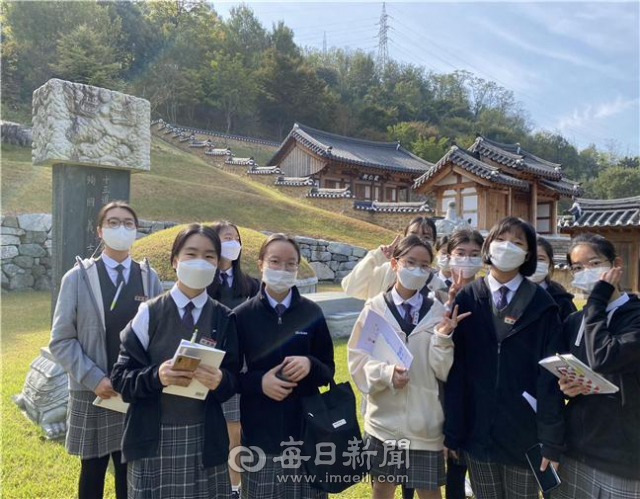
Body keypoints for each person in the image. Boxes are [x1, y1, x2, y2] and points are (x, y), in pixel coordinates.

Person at [111, 224, 239, 498]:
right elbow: (121, 378)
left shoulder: (224, 318)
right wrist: (157, 376)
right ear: (174, 261)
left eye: (209, 256)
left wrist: (220, 380)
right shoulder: (149, 313)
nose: (200, 262)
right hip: (153, 438)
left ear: (218, 264)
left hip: (205, 440)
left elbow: (233, 380)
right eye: (191, 254)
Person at [443, 217, 565, 499]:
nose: (507, 247)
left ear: (528, 254)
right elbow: (456, 372)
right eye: (500, 240)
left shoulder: (543, 305)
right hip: (477, 431)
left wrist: (551, 440)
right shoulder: (469, 298)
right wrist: (453, 430)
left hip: (524, 433)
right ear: (488, 246)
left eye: (518, 242)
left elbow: (550, 378)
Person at [49, 201, 163, 499]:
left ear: (136, 231)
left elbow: (161, 337)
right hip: (94, 393)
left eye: (128, 223)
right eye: (113, 223)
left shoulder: (149, 279)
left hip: (134, 393)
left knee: (131, 474)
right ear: (100, 230)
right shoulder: (77, 278)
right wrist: (94, 378)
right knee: (92, 473)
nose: (121, 229)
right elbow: (61, 340)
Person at [349, 235, 470, 499]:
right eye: (410, 262)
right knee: (382, 489)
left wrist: (443, 337)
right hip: (383, 423)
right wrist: (386, 374)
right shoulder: (375, 309)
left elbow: (442, 370)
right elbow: (357, 361)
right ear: (395, 263)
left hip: (424, 423)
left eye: (424, 265)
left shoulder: (437, 312)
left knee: (429, 492)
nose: (417, 270)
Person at [234, 233, 335, 499]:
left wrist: (310, 363)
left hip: (308, 433)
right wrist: (260, 382)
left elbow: (329, 369)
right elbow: (230, 377)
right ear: (261, 264)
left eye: (291, 263)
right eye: (275, 261)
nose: (283, 269)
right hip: (260, 436)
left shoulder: (312, 313)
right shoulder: (242, 316)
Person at [553, 233, 640, 498]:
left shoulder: (634, 317)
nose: (585, 272)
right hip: (577, 446)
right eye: (577, 268)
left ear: (616, 264)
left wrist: (598, 300)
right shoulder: (574, 321)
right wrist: (565, 385)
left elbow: (604, 357)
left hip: (622, 454)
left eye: (594, 264)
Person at [206, 221, 260, 498]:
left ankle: (236, 488)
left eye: (236, 238)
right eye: (227, 238)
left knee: (237, 433)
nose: (233, 243)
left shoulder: (251, 285)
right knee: (218, 434)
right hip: (213, 368)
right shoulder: (202, 284)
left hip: (245, 369)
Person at [440, 228, 484, 499]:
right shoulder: (432, 291)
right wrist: (449, 304)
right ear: (448, 256)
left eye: (474, 255)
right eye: (461, 253)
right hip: (445, 387)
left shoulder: (490, 292)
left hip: (481, 386)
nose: (467, 260)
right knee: (453, 460)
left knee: (478, 461)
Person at [342, 216, 448, 302]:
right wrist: (376, 256)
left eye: (426, 237)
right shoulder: (384, 271)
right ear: (404, 238)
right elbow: (351, 288)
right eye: (413, 235)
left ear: (433, 243)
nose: (419, 240)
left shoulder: (437, 285)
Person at [528, 236, 577, 321]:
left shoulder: (561, 299)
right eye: (529, 258)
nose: (534, 263)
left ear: (550, 263)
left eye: (541, 259)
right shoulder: (507, 294)